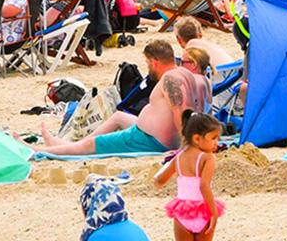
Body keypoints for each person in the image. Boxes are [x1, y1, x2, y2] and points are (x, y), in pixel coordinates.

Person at [36, 40, 209, 155]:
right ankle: (64, 144)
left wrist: (186, 147)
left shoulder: (171, 79)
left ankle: (46, 151)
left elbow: (181, 110)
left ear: (154, 62)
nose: (148, 68)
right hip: (158, 135)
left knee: (94, 145)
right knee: (118, 117)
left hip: (150, 140)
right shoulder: (187, 76)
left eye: (148, 64)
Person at [155, 111, 224, 240]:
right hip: (202, 212)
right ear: (197, 138)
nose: (217, 143)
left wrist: (156, 178)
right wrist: (214, 213)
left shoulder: (178, 157)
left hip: (182, 213)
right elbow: (204, 186)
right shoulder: (207, 158)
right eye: (213, 138)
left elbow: (160, 180)